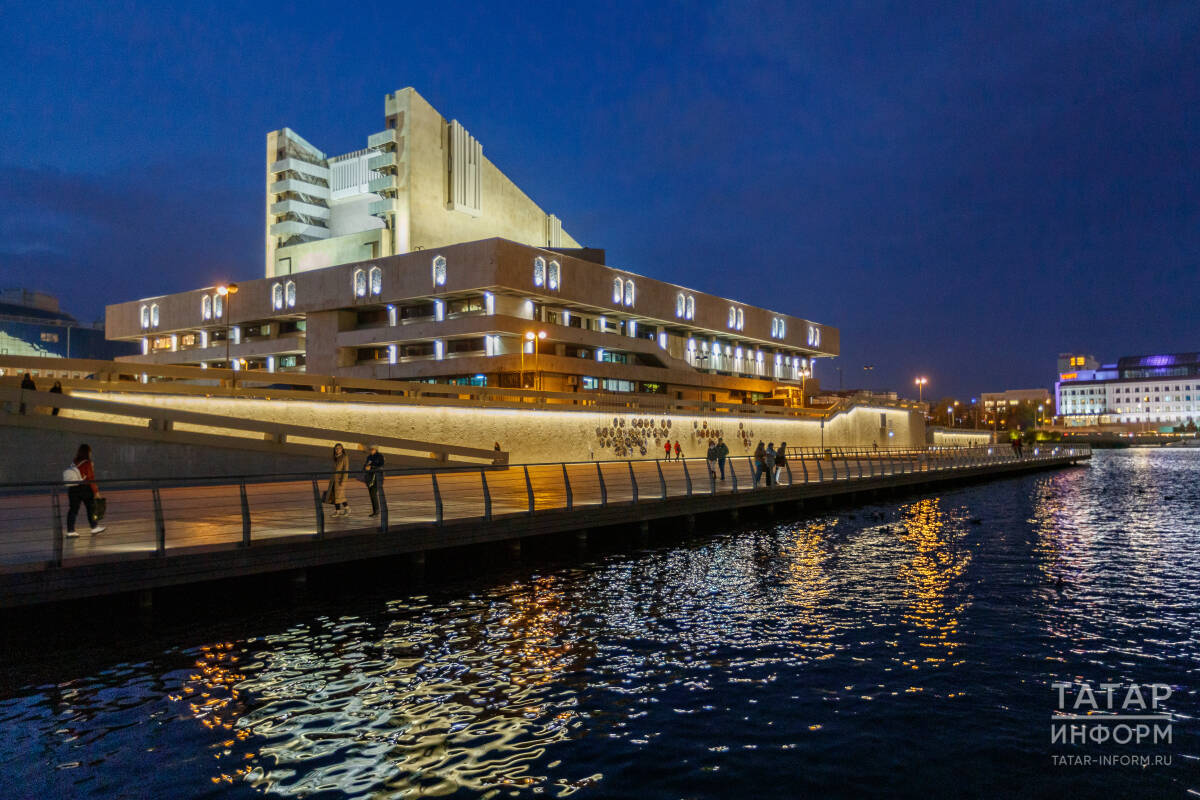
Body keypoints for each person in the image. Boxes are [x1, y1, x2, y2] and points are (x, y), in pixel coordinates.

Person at [65, 443, 105, 537]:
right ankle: (94, 527)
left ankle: (70, 531)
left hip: (73, 488)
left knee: (73, 510)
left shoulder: (74, 462)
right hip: (84, 488)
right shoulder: (87, 463)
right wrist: (96, 492)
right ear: (88, 452)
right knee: (91, 508)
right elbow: (91, 478)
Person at [327, 443, 350, 516]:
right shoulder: (335, 457)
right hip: (334, 480)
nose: (337, 450)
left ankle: (346, 509)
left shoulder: (344, 457)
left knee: (339, 495)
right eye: (336, 448)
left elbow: (346, 469)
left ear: (342, 449)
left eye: (339, 448)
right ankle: (338, 511)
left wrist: (343, 480)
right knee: (336, 495)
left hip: (340, 480)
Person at [364, 444, 385, 517]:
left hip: (377, 478)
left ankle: (376, 511)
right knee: (371, 494)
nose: (371, 451)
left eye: (372, 449)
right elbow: (365, 465)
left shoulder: (380, 456)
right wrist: (366, 467)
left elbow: (381, 466)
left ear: (376, 449)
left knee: (373, 493)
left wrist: (371, 467)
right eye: (370, 449)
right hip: (370, 478)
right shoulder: (369, 457)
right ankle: (375, 511)